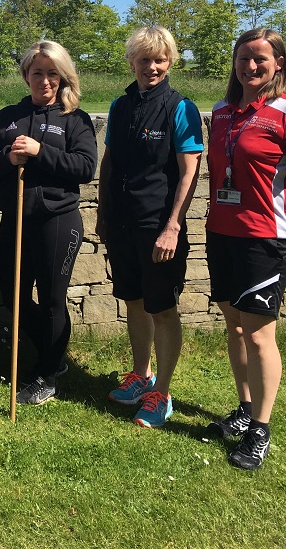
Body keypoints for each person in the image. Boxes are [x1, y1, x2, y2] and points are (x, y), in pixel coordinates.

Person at [205, 28, 286, 469]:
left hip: (266, 239)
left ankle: (261, 428)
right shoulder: (221, 112)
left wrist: (281, 210)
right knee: (235, 327)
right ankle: (244, 409)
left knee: (259, 334)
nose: (251, 66)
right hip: (222, 231)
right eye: (243, 58)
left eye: (260, 59)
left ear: (278, 63)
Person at [0, 42, 97, 404]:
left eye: (52, 73)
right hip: (16, 217)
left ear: (62, 77)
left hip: (58, 220)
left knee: (51, 301)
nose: (44, 80)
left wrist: (40, 153)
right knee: (11, 295)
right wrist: (10, 158)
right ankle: (52, 355)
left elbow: (85, 167)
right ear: (26, 75)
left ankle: (47, 373)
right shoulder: (9, 116)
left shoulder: (74, 118)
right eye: (37, 73)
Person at [96, 26, 203, 428]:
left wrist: (173, 226)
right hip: (122, 224)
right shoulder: (120, 106)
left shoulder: (180, 108)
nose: (152, 67)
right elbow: (108, 163)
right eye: (144, 60)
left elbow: (189, 170)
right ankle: (141, 376)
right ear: (132, 62)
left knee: (162, 308)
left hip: (158, 226)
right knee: (134, 302)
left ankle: (163, 393)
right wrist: (104, 214)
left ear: (170, 62)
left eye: (160, 60)